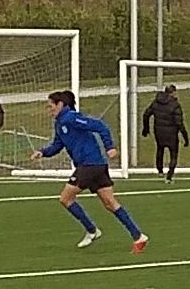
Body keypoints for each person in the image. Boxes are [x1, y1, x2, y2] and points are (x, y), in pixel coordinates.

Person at [31, 90, 148, 253]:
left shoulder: (71, 117)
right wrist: (43, 152)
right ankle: (138, 236)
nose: (48, 109)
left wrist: (110, 147)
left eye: (50, 106)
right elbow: (58, 145)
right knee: (110, 203)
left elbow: (100, 126)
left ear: (60, 104)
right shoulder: (59, 123)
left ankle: (92, 230)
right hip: (96, 166)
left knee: (66, 198)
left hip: (89, 165)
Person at [140, 84, 190, 182]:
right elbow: (179, 123)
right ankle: (170, 175)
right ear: (173, 93)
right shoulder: (175, 105)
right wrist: (185, 137)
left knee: (160, 149)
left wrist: (146, 128)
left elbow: (146, 114)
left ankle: (160, 170)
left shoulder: (156, 102)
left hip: (159, 131)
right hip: (172, 133)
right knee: (173, 153)